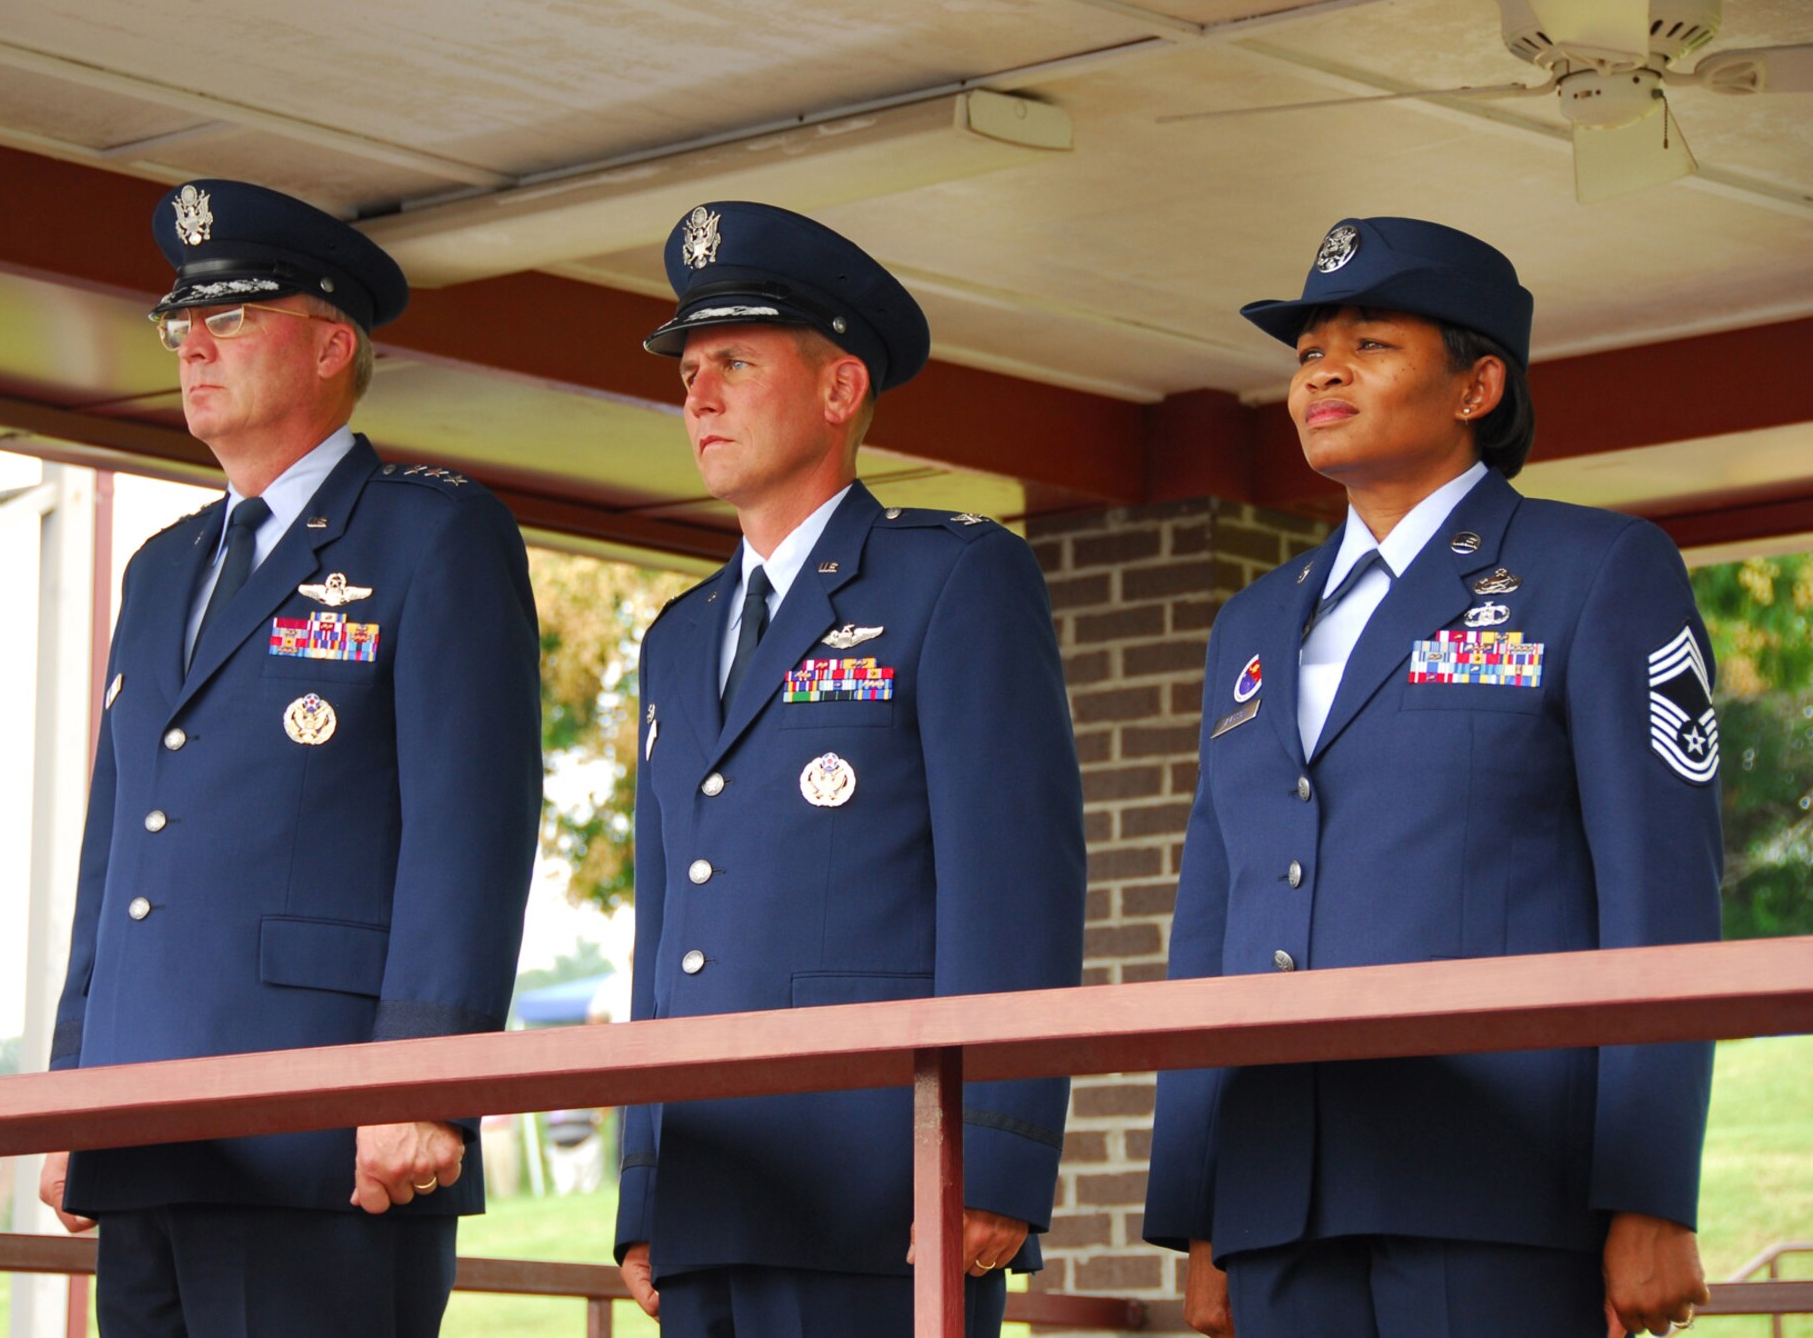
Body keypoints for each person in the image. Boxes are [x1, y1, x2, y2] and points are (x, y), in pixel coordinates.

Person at [1141, 217, 1721, 1338]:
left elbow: (1659, 897)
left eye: (1369, 345)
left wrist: (1649, 1188)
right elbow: (1210, 915)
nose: (1322, 373)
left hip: (1494, 1183)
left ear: (1476, 385)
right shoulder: (1250, 622)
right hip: (1277, 1194)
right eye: (1308, 352)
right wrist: (1198, 1202)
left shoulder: (1594, 571)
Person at [37, 179, 542, 1337]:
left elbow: (470, 829)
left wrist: (420, 1083)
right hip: (143, 1116)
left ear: (329, 345)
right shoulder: (164, 566)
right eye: (183, 322)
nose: (195, 343)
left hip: (322, 1131)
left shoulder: (432, 532)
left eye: (235, 316)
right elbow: (115, 848)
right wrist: (74, 1089)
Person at [612, 201, 1087, 1338]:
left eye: (733, 359)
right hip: (713, 1191)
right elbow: (663, 924)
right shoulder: (677, 637)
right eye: (688, 368)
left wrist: (999, 1155)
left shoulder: (951, 580)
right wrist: (643, 1187)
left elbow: (1013, 882)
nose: (699, 393)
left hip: (884, 1183)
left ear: (838, 391)